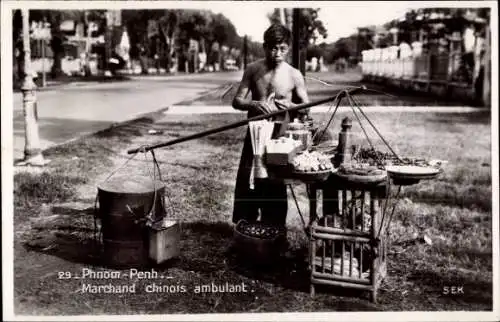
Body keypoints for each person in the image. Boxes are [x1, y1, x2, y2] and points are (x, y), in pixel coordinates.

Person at [232, 24, 310, 227]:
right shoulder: (253, 69)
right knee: (249, 178)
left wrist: (291, 106)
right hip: (255, 134)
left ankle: (274, 229)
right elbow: (237, 101)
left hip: (279, 138)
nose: (277, 53)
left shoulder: (294, 75)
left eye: (282, 48)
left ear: (288, 48)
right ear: (265, 47)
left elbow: (306, 108)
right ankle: (244, 226)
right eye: (273, 48)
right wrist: (253, 104)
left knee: (274, 181)